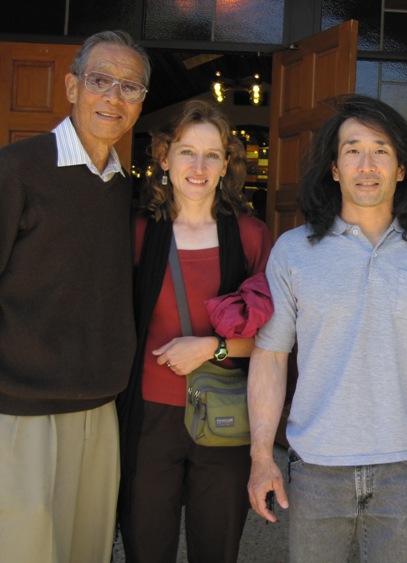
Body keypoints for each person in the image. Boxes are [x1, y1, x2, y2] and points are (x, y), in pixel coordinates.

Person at [246, 94, 407, 562]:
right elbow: (270, 355)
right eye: (352, 149)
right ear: (334, 168)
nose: (367, 164)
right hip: (317, 469)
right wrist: (261, 456)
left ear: (401, 168)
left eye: (381, 150)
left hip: (404, 467)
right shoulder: (293, 250)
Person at [0, 30, 148, 563]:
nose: (113, 97)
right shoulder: (16, 168)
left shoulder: (126, 190)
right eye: (100, 80)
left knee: (86, 552)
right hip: (18, 412)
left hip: (98, 409)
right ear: (71, 86)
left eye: (130, 87)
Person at [117, 99, 272, 562]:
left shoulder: (250, 235)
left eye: (212, 154)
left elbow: (276, 339)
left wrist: (211, 347)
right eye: (187, 152)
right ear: (164, 158)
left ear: (227, 164)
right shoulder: (137, 232)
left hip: (225, 418)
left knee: (216, 549)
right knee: (146, 547)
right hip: (148, 418)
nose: (199, 166)